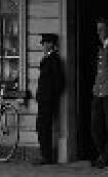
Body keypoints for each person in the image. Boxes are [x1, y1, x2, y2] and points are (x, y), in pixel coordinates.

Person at [89, 17, 108, 168]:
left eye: (101, 29)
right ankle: (102, 154)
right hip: (98, 91)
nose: (99, 32)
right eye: (97, 29)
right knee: (96, 126)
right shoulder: (98, 47)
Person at [34, 33, 65, 166]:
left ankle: (46, 156)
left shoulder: (54, 59)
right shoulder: (47, 58)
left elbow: (59, 81)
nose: (43, 46)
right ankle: (44, 154)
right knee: (41, 127)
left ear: (51, 44)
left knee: (44, 127)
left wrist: (51, 96)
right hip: (43, 99)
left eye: (45, 43)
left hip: (48, 100)